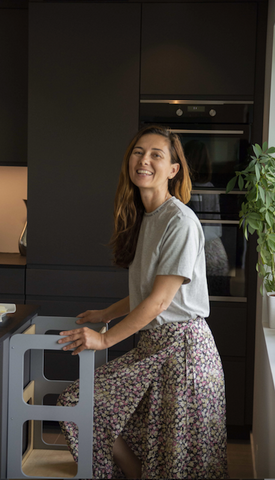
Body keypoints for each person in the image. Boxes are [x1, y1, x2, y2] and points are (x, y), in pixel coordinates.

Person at [57, 125, 229, 479]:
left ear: (173, 169)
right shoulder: (146, 217)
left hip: (183, 354)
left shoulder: (179, 220)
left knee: (177, 461)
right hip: (156, 348)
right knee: (82, 406)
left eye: (156, 154)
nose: (144, 160)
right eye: (138, 151)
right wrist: (106, 313)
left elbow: (161, 302)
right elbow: (147, 292)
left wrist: (105, 338)